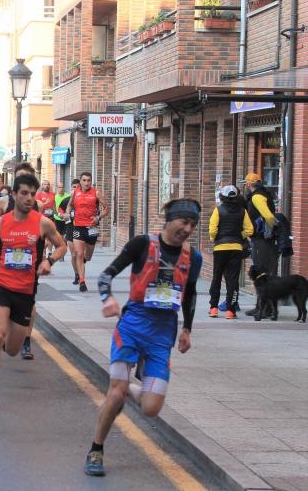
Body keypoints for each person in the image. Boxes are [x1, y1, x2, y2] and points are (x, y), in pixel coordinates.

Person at [85, 199, 202, 476]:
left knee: (151, 408)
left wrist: (187, 330)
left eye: (192, 225)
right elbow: (106, 275)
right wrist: (107, 299)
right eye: (184, 222)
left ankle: (128, 387)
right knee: (115, 395)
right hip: (132, 328)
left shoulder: (193, 257)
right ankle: (96, 450)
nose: (187, 229)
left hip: (163, 335)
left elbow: (192, 293)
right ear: (169, 220)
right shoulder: (142, 244)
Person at [0, 174, 66, 411]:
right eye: (24, 193)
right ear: (13, 194)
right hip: (0, 286)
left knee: (12, 349)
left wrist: (49, 261)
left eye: (32, 194)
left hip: (25, 292)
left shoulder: (43, 222)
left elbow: (62, 245)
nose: (29, 198)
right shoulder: (1, 222)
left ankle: (7, 347)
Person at [0, 162, 44, 360]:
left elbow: (44, 233)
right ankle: (5, 328)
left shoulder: (39, 205)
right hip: (7, 258)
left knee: (30, 301)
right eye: (21, 176)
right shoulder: (3, 203)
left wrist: (45, 259)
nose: (28, 195)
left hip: (31, 260)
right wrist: (2, 240)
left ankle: (26, 339)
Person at [208, 185, 253, 320]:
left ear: (223, 197)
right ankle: (230, 310)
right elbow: (250, 230)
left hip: (220, 248)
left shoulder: (218, 210)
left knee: (216, 278)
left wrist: (214, 238)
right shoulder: (242, 211)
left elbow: (212, 230)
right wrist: (239, 235)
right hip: (236, 249)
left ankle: (214, 308)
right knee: (232, 280)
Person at [244, 172, 279, 318]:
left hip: (262, 241)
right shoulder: (263, 194)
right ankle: (260, 307)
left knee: (263, 275)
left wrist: (271, 230)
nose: (245, 186)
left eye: (246, 183)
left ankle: (266, 309)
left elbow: (269, 216)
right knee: (264, 275)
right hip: (264, 241)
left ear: (249, 184)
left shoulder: (257, 197)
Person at [66, 172, 108, 292]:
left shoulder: (96, 193)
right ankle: (82, 281)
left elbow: (107, 208)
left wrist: (98, 218)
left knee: (87, 257)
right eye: (84, 180)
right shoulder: (75, 192)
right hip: (78, 227)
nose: (86, 183)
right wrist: (67, 214)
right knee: (78, 254)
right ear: (80, 181)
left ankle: (82, 264)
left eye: (88, 180)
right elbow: (69, 205)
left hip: (92, 228)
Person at [52, 182, 71, 258]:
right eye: (59, 187)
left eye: (62, 187)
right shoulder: (55, 197)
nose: (61, 189)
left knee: (65, 237)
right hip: (57, 219)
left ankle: (62, 251)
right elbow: (53, 209)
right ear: (57, 188)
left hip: (66, 220)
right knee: (58, 236)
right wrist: (58, 215)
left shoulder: (68, 196)